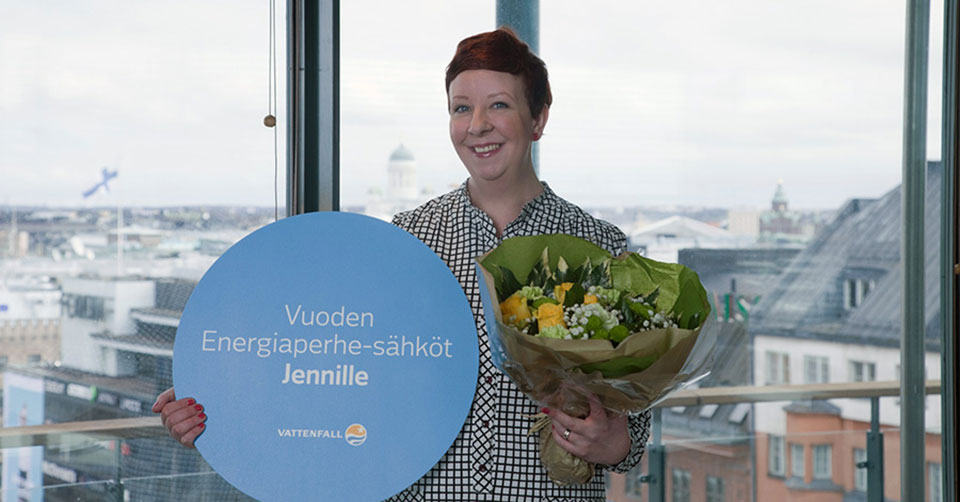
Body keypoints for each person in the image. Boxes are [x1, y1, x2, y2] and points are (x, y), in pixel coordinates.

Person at [153, 27, 650, 501]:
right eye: (461, 108)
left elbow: (634, 408)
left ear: (538, 118)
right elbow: (328, 354)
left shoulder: (599, 248)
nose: (477, 124)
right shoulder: (405, 242)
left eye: (499, 104)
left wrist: (615, 443)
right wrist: (220, 396)